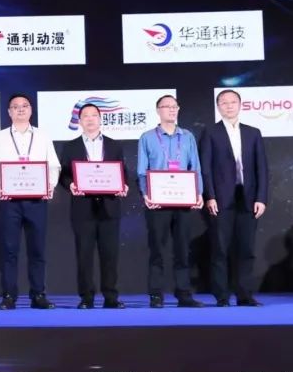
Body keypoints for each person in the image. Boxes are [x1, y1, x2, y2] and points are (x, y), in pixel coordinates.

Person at [0, 94, 61, 309]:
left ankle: (38, 295)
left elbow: (53, 165)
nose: (20, 109)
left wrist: (49, 186)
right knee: (9, 250)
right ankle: (9, 296)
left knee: (37, 250)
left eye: (25, 106)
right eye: (15, 107)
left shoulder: (43, 136)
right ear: (9, 112)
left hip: (37, 200)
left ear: (31, 110)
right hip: (10, 202)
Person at [200, 89, 269, 307]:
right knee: (220, 249)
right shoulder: (210, 132)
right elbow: (205, 168)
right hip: (220, 200)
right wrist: (210, 196)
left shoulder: (253, 133)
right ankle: (222, 296)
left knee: (246, 249)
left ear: (240, 105)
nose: (229, 106)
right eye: (224, 102)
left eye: (233, 102)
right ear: (218, 106)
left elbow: (262, 168)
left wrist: (261, 197)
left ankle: (245, 295)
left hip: (248, 199)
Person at [57, 103, 129, 309]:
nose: (90, 119)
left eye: (94, 115)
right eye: (85, 116)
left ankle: (111, 297)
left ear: (100, 119)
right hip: (83, 207)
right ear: (79, 121)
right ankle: (86, 297)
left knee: (110, 255)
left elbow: (122, 172)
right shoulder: (70, 147)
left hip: (110, 206)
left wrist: (123, 185)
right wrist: (70, 185)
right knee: (84, 254)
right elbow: (64, 175)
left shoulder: (114, 145)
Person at [137, 94, 205, 308]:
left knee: (182, 250)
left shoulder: (187, 136)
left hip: (183, 200)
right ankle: (156, 295)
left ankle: (184, 294)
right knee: (157, 249)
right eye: (166, 106)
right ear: (158, 111)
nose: (171, 109)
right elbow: (142, 170)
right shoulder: (147, 137)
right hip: (157, 202)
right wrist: (146, 194)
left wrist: (199, 193)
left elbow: (195, 166)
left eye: (174, 106)